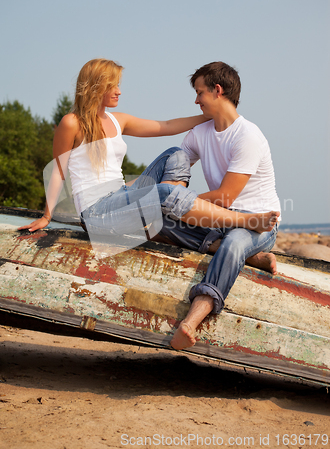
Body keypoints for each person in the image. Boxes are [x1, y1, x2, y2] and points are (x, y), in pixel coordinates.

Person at [20, 58, 279, 251]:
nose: (119, 91)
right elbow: (58, 170)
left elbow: (165, 126)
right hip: (96, 211)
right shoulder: (71, 123)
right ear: (96, 87)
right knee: (166, 193)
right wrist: (46, 215)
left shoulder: (118, 120)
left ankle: (173, 214)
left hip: (119, 195)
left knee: (175, 155)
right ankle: (243, 220)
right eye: (113, 85)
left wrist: (213, 113)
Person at [157, 61, 281, 351]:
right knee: (154, 221)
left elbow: (225, 197)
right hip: (219, 220)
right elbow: (176, 172)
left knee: (236, 241)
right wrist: (169, 196)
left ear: (218, 90)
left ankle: (191, 320)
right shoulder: (200, 134)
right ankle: (250, 257)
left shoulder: (247, 136)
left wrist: (180, 200)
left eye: (200, 93)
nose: (196, 100)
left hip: (258, 220)